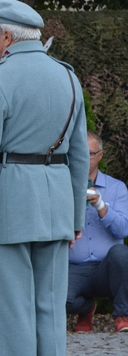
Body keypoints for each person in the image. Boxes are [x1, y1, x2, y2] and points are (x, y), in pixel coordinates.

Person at [0, 0, 89, 356]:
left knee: (13, 313)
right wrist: (77, 218)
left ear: (8, 36)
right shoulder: (68, 76)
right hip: (55, 206)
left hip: (9, 207)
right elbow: (79, 154)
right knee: (50, 312)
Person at [67, 131, 128, 333]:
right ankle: (86, 309)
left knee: (122, 253)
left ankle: (122, 315)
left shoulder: (117, 188)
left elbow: (123, 230)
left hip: (107, 268)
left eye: (90, 153)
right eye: (79, 152)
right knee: (57, 298)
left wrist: (101, 204)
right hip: (74, 267)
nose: (84, 157)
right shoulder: (62, 186)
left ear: (100, 156)